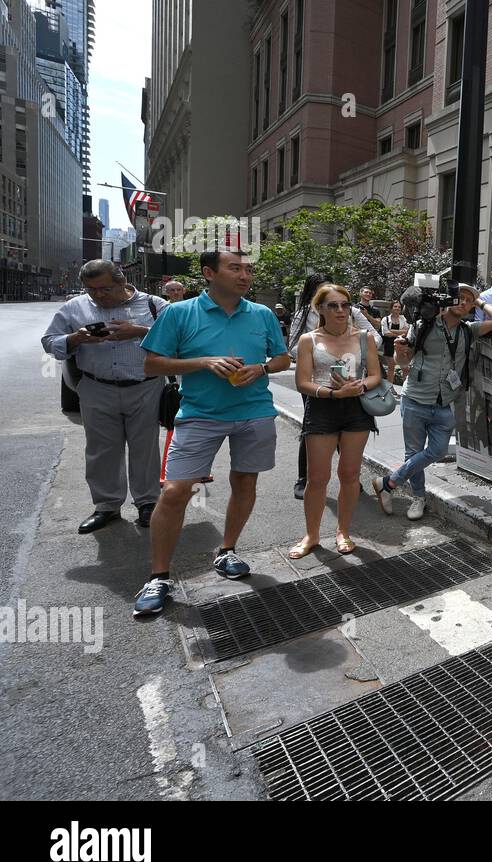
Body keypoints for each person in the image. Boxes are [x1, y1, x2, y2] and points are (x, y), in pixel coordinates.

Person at [135, 250, 292, 617]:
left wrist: (262, 368)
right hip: (199, 415)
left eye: (248, 269)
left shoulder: (263, 314)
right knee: (175, 492)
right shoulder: (179, 313)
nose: (244, 275)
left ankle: (227, 550)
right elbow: (151, 363)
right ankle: (159, 577)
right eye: (234, 268)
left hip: (254, 413)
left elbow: (283, 359)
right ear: (209, 272)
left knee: (245, 483)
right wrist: (203, 362)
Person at [41, 260, 168, 533]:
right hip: (96, 387)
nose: (98, 295)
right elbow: (50, 341)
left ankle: (147, 504)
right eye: (91, 289)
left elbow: (179, 338)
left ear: (122, 282)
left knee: (144, 449)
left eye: (105, 288)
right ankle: (107, 506)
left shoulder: (154, 305)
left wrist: (140, 332)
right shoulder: (75, 307)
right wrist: (75, 339)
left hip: (145, 386)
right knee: (100, 450)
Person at [374, 284, 492, 520]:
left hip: (444, 403)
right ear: (448, 301)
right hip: (415, 398)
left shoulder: (469, 330)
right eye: (460, 298)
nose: (464, 302)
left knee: (438, 450)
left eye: (468, 300)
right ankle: (418, 497)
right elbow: (403, 361)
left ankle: (388, 482)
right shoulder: (423, 326)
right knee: (413, 452)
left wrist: (479, 302)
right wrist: (399, 351)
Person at [291, 284, 383, 557]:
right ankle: (312, 535)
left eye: (345, 304)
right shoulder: (309, 340)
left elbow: (376, 375)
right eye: (333, 305)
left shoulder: (363, 337)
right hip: (321, 409)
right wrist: (333, 393)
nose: (341, 310)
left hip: (356, 409)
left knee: (350, 474)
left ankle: (343, 531)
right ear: (320, 308)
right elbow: (302, 382)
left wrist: (360, 387)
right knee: (317, 477)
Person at [380, 297, 410, 382]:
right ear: (391, 308)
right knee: (391, 368)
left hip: (401, 345)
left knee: (405, 368)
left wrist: (392, 331)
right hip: (389, 345)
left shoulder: (403, 319)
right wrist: (399, 333)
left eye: (399, 307)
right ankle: (390, 389)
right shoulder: (385, 319)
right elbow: (386, 333)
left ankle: (405, 388)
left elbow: (406, 332)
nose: (397, 308)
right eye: (395, 306)